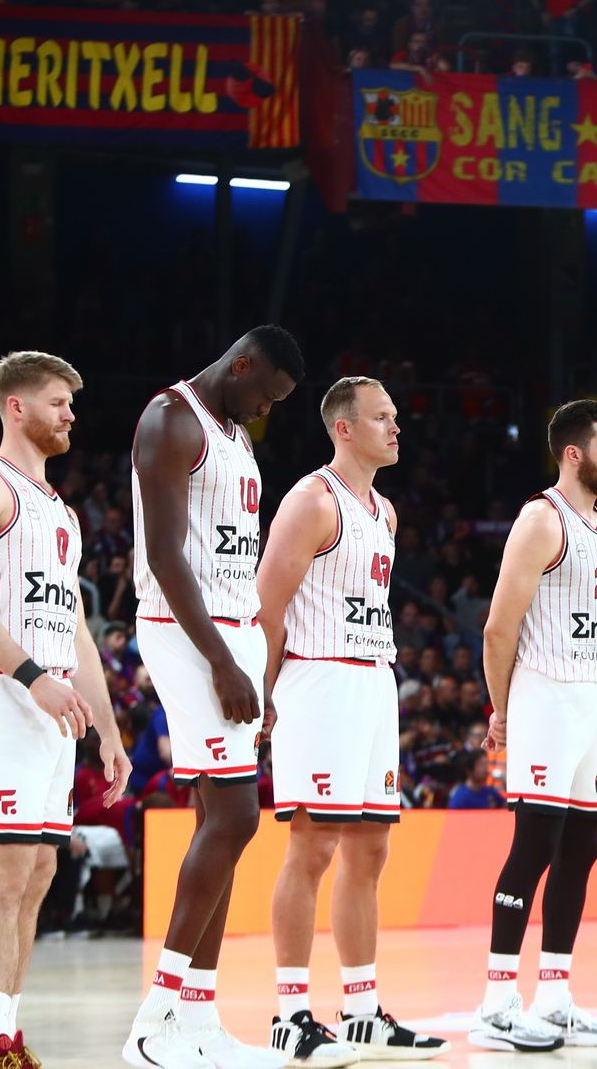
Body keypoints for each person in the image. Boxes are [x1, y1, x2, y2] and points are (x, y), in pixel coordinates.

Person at [0, 352, 132, 1069]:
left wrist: (110, 733)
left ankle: (6, 1037)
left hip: (54, 705)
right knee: (8, 865)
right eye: (58, 402)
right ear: (17, 407)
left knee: (42, 870)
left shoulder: (62, 512)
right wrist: (32, 679)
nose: (70, 414)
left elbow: (76, 630)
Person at [125, 327, 304, 1069]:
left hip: (235, 632)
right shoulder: (172, 418)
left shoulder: (235, 434)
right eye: (266, 393)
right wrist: (224, 663)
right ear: (242, 364)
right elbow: (165, 556)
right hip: (187, 633)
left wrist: (255, 658)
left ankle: (198, 1020)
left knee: (219, 822)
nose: (266, 408)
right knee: (235, 816)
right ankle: (155, 1019)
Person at [258, 378, 446, 1064]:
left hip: (373, 679)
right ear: (344, 427)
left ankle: (363, 1013)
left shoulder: (384, 512)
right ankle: (290, 1016)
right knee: (312, 848)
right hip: (319, 679)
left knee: (371, 851)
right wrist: (264, 693)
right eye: (382, 417)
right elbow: (267, 603)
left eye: (395, 416)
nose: (396, 427)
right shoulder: (311, 500)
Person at [469, 400, 597, 1052]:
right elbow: (498, 628)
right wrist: (502, 712)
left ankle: (556, 997)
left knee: (583, 847)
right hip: (544, 697)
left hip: (592, 701)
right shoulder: (541, 519)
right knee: (534, 846)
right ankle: (496, 1003)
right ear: (573, 453)